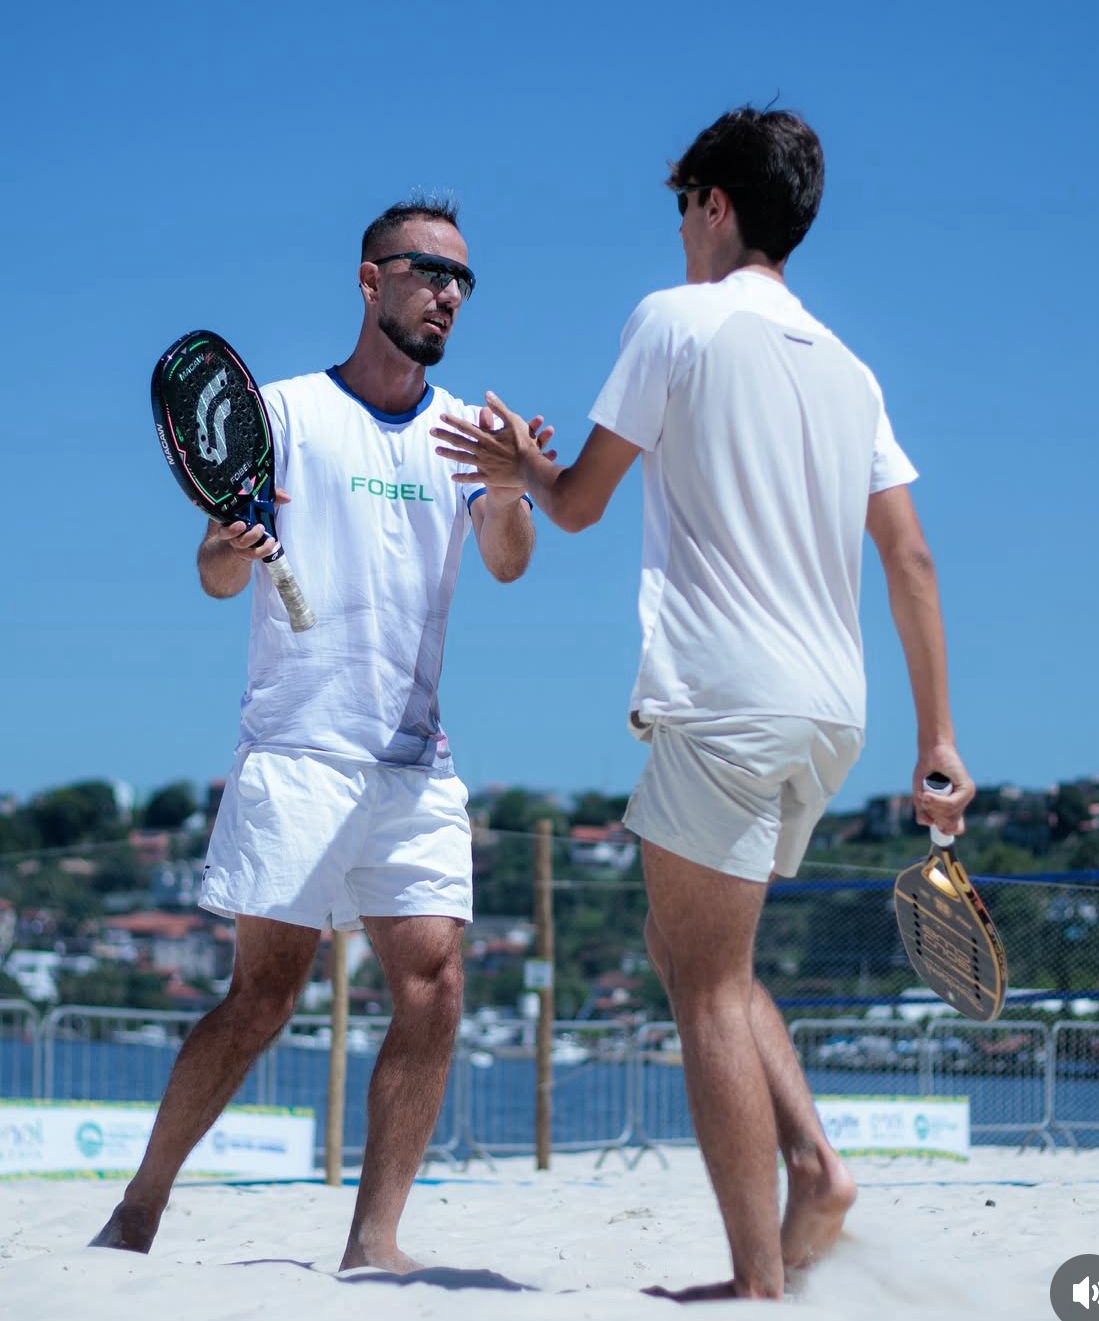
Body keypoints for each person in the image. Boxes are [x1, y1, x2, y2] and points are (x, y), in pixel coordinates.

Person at [431, 109, 975, 1301]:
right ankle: (809, 1164)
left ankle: (758, 1268)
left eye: (683, 204)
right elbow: (912, 560)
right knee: (694, 948)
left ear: (716, 204)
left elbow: (573, 506)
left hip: (726, 695)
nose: (678, 228)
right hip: (834, 708)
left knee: (705, 984)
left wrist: (520, 463)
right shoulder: (850, 366)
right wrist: (937, 739)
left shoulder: (672, 320)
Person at [92, 199, 546, 1272]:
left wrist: (514, 483)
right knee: (261, 999)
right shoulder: (285, 411)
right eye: (427, 270)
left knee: (434, 986)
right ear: (367, 280)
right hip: (296, 754)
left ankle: (373, 1242)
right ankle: (140, 1208)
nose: (447, 292)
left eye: (462, 280)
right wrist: (237, 548)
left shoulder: (464, 440)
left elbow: (510, 562)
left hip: (414, 763)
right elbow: (211, 572)